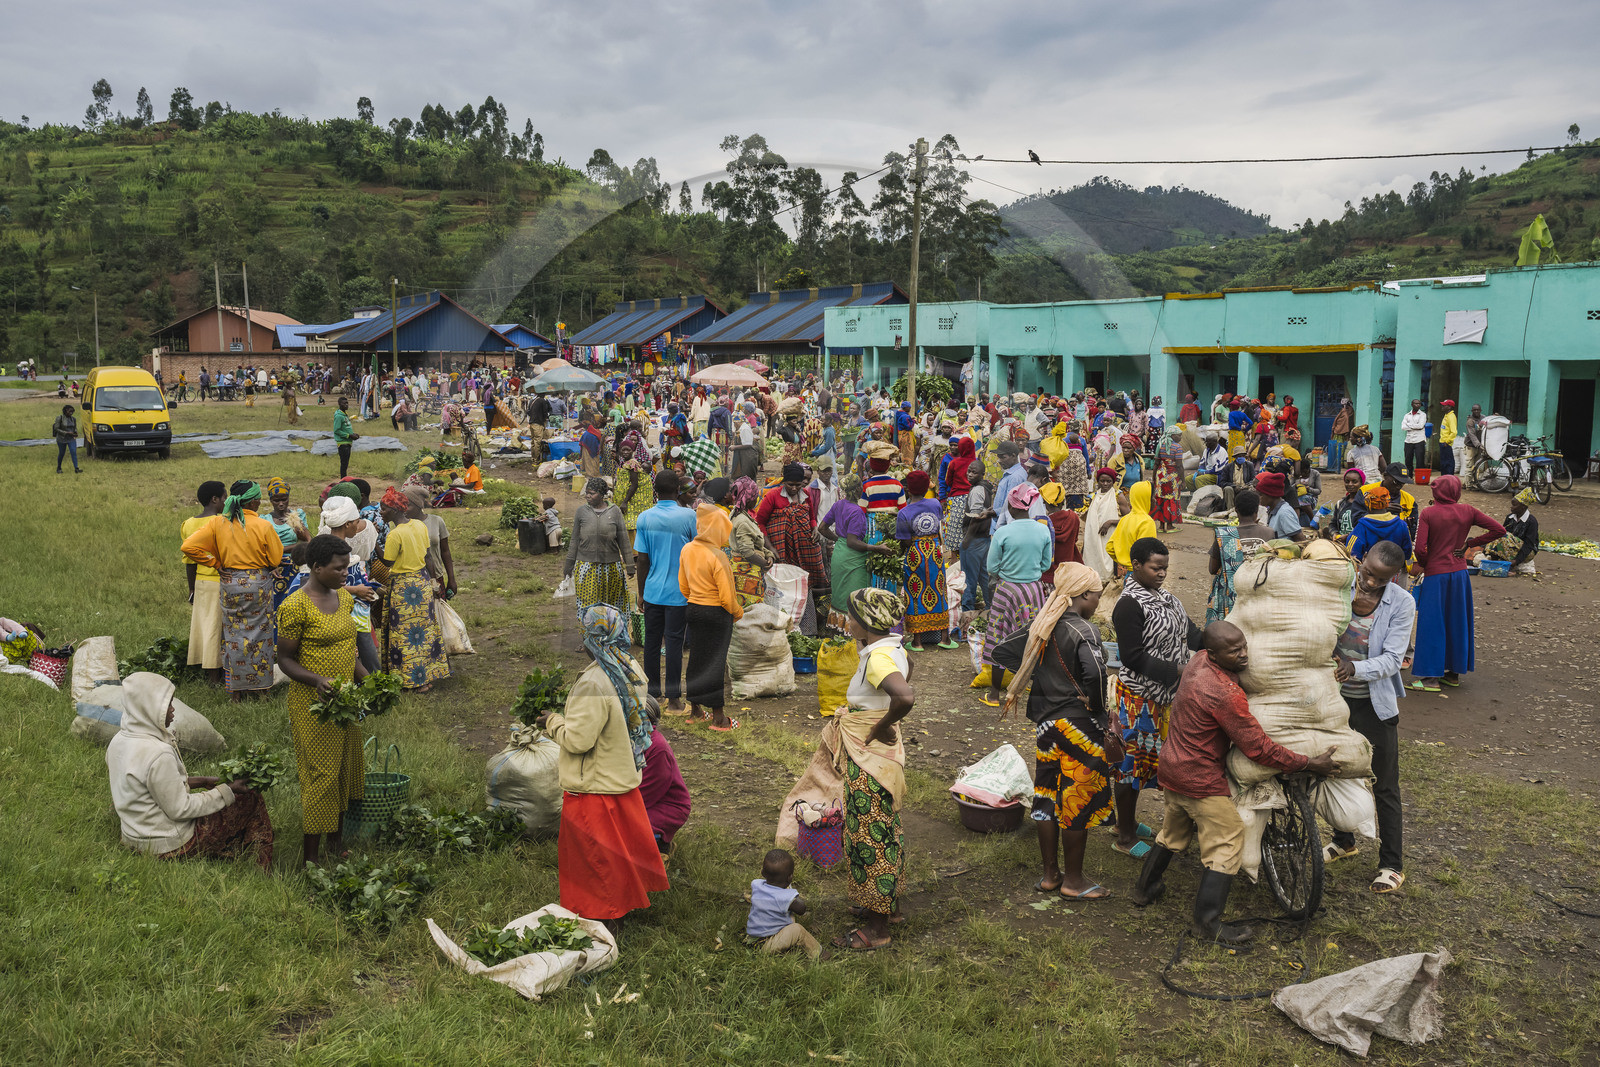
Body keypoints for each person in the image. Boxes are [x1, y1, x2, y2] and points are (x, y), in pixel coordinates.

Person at [1130, 623, 1338, 942]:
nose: (1243, 654)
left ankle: (1146, 889)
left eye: (1244, 646)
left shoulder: (1199, 661)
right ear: (1214, 653)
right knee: (1228, 839)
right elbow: (1258, 748)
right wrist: (1310, 762)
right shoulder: (1223, 694)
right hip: (1199, 778)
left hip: (1172, 767)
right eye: (1233, 651)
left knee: (1172, 832)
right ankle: (1207, 923)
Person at [535, 606, 670, 924]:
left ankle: (602, 921)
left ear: (592, 639)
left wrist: (552, 721)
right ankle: (623, 907)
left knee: (594, 863)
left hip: (593, 787)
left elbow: (579, 741)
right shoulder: (629, 666)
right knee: (618, 857)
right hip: (621, 774)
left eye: (583, 635)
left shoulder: (593, 683)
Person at [993, 562, 1115, 900]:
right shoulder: (1084, 630)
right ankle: (1073, 882)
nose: (1097, 605)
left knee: (1047, 796)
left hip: (1046, 724)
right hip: (1077, 725)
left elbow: (1002, 651)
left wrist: (1040, 675)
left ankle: (1050, 875)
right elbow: (1095, 673)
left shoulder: (1042, 626)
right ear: (1083, 596)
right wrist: (1094, 704)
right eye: (1096, 598)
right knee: (1077, 798)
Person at [106, 672, 272, 870]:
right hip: (166, 844)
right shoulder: (158, 753)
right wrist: (228, 790)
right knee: (250, 797)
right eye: (167, 704)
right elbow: (180, 809)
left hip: (134, 836)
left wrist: (202, 781)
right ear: (149, 708)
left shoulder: (118, 741)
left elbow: (151, 785)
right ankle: (261, 866)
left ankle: (232, 846)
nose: (173, 710)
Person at [1327, 541, 1414, 894]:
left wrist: (1355, 667)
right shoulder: (1340, 584)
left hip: (1373, 707)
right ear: (1360, 562)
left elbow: (1394, 659)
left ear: (1393, 578)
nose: (1370, 583)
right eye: (1367, 573)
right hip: (1333, 701)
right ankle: (1343, 840)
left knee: (1384, 784)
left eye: (1381, 579)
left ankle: (1392, 864)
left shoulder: (1402, 604)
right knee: (1335, 772)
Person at [277, 534, 368, 866]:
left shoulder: (343, 598)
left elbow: (350, 648)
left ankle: (336, 844)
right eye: (339, 568)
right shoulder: (294, 606)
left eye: (347, 567)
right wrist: (317, 680)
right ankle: (310, 859)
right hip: (312, 704)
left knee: (345, 770)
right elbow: (285, 660)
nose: (346, 574)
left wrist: (366, 679)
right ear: (316, 568)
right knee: (322, 776)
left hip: (345, 700)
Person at [1110, 537, 1203, 859]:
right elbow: (1131, 657)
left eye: (1165, 567)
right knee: (1130, 766)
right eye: (1156, 567)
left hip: (1165, 700)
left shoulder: (1167, 599)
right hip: (1138, 699)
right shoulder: (1128, 605)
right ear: (1136, 565)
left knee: (1153, 763)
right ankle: (1122, 835)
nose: (1162, 573)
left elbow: (1191, 634)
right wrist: (1178, 671)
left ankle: (1129, 823)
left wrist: (1219, 644)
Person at [832, 588, 915, 952]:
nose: (847, 622)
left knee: (869, 834)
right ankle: (885, 904)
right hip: (879, 754)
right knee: (882, 826)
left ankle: (876, 929)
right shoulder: (892, 649)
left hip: (871, 754)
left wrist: (880, 724)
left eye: (850, 616)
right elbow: (907, 677)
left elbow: (904, 696)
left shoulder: (879, 658)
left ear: (865, 622)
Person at [181, 481, 284, 700]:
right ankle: (261, 690)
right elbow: (275, 559)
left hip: (229, 583)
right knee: (261, 636)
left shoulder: (219, 523)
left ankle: (236, 691)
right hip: (258, 584)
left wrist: (216, 563)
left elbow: (188, 547)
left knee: (233, 635)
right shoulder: (263, 526)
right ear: (255, 501)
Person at [1410, 475, 1504, 693]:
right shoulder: (1468, 511)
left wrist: (1425, 564)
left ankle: (1431, 679)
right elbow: (1499, 530)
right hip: (1460, 575)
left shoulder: (1429, 513)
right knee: (1457, 621)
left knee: (1432, 623)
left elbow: (1420, 549)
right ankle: (1452, 674)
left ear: (1437, 492)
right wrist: (1470, 544)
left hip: (1436, 574)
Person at [980, 484, 1054, 706]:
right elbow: (1045, 564)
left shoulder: (1003, 532)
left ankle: (994, 694)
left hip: (1007, 590)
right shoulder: (1042, 530)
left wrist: (1007, 572)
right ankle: (1035, 692)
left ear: (1011, 509)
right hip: (1033, 591)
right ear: (1030, 507)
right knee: (1034, 638)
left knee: (998, 637)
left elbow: (991, 567)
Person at [372, 486, 449, 692]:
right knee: (422, 633)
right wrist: (433, 582)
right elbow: (428, 557)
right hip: (422, 584)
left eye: (385, 508)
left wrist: (373, 541)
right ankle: (427, 676)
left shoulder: (395, 535)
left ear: (396, 510)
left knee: (404, 636)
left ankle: (412, 682)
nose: (381, 512)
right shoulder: (418, 525)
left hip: (403, 588)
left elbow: (388, 563)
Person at [634, 470, 698, 713]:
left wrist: (641, 593)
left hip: (652, 591)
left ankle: (652, 696)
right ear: (678, 490)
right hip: (679, 593)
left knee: (651, 642)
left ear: (655, 491)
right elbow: (696, 551)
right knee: (674, 643)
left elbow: (643, 560)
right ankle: (674, 700)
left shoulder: (644, 518)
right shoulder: (688, 517)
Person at [679, 503, 742, 730]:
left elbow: (683, 586)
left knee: (696, 659)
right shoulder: (718, 555)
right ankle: (719, 718)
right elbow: (726, 596)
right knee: (715, 663)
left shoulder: (687, 549)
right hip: (716, 613)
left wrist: (696, 599)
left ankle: (696, 711)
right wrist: (737, 612)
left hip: (694, 608)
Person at [316, 494, 383, 674]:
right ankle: (372, 683)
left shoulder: (333, 545)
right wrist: (357, 590)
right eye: (356, 520)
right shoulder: (333, 550)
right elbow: (322, 586)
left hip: (351, 608)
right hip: (339, 609)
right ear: (347, 524)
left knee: (361, 647)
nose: (358, 524)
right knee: (361, 648)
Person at [758, 464, 829, 631]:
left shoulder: (805, 496)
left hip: (804, 553)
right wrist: (771, 548)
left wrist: (814, 529)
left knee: (804, 586)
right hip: (781, 551)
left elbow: (811, 517)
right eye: (790, 484)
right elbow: (760, 522)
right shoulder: (772, 497)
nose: (795, 488)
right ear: (784, 481)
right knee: (782, 591)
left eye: (798, 484)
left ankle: (807, 629)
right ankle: (778, 627)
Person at [564, 477, 635, 623]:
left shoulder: (615, 512)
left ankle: (610, 638)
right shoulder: (581, 512)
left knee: (611, 605)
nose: (588, 496)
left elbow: (623, 539)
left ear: (602, 495)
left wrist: (629, 565)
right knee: (587, 604)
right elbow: (574, 540)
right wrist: (569, 564)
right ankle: (589, 641)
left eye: (592, 493)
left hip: (611, 567)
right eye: (587, 492)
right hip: (586, 566)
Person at [896, 471, 952, 651]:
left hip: (915, 554)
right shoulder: (935, 503)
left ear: (907, 489)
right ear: (928, 485)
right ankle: (944, 638)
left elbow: (904, 540)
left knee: (914, 592)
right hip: (935, 553)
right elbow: (940, 524)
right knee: (939, 588)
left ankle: (917, 641)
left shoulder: (904, 513)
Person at [1205, 489, 1274, 624]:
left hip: (1232, 596)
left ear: (1236, 511)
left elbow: (1212, 569)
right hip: (1259, 590)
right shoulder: (1269, 533)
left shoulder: (1224, 534)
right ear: (1257, 511)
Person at [182, 481, 228, 685]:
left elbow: (189, 562)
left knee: (205, 625)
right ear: (215, 499)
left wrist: (191, 588)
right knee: (218, 628)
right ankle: (217, 676)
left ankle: (209, 672)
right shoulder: (222, 522)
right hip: (221, 580)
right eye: (224, 498)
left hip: (201, 581)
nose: (226, 502)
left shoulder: (188, 524)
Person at [637, 698, 690, 857]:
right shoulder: (635, 742)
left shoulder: (657, 749)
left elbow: (645, 793)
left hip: (668, 806)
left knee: (624, 827)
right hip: (644, 798)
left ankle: (661, 850)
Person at [747, 849, 821, 959]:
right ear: (790, 877)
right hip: (767, 945)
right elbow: (802, 909)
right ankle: (817, 953)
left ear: (762, 873)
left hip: (752, 939)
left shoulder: (756, 884)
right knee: (797, 929)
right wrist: (793, 897)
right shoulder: (784, 898)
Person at [264, 478, 311, 609]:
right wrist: (293, 547)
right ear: (270, 500)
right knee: (276, 602)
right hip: (275, 567)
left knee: (295, 601)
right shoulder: (265, 520)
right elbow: (264, 548)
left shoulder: (297, 515)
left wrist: (300, 531)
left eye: (284, 499)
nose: (280, 503)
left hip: (296, 565)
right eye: (276, 500)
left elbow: (309, 541)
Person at [1347, 485, 1413, 563]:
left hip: (1370, 570)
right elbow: (1407, 553)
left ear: (1368, 505)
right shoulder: (1402, 525)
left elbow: (1351, 553)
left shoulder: (1362, 526)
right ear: (1388, 503)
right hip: (1394, 570)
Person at [1108, 481, 1158, 577]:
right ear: (1145, 499)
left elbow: (1110, 547)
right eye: (1152, 497)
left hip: (1126, 572)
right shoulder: (1147, 522)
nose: (1154, 500)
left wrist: (1123, 562)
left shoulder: (1124, 519)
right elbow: (1148, 554)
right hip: (1140, 573)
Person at [1485, 488, 1540, 575]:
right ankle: (1495, 562)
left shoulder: (1531, 522)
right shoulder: (1510, 518)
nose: (1511, 507)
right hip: (1511, 548)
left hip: (1527, 552)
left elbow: (1529, 545)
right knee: (1497, 533)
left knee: (1504, 535)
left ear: (1523, 506)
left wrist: (1516, 561)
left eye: (1514, 505)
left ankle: (1509, 566)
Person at [1083, 468, 1123, 582]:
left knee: (1109, 560)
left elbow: (1128, 519)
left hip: (1110, 536)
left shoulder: (1118, 496)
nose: (1105, 484)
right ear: (1098, 481)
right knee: (1093, 559)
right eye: (1102, 481)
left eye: (1109, 481)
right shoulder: (1092, 497)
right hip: (1094, 537)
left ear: (1113, 482)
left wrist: (1109, 522)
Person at [1039, 483, 1081, 583]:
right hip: (1069, 569)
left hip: (1049, 573)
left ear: (1045, 502)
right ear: (1063, 500)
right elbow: (1075, 539)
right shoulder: (1073, 517)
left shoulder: (1043, 523)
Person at [1151, 430, 1184, 533]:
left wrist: (1154, 477)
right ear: (1172, 435)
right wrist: (1183, 480)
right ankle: (1170, 526)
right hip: (1172, 475)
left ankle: (1161, 526)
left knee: (1161, 498)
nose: (1180, 437)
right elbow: (1179, 465)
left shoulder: (1160, 445)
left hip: (1160, 474)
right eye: (1179, 435)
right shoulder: (1177, 447)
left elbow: (1156, 463)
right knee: (1171, 499)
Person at [1254, 471, 1301, 540]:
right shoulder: (1272, 510)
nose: (1259, 498)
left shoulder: (1284, 513)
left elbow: (1300, 539)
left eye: (1261, 495)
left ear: (1271, 495)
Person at [1328, 469, 1369, 539]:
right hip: (1341, 542)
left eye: (1354, 482)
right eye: (1347, 481)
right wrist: (1335, 534)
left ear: (1362, 483)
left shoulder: (1367, 503)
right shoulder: (1340, 504)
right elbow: (1332, 524)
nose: (1350, 484)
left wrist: (1348, 536)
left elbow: (1368, 526)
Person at [1400, 399, 1427, 477]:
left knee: (1420, 460)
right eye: (1416, 403)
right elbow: (1403, 427)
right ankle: (1409, 476)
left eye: (1419, 404)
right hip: (1408, 440)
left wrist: (1409, 425)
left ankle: (1420, 477)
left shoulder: (1423, 415)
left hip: (1419, 440)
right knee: (1408, 460)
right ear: (1412, 404)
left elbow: (1420, 426)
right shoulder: (1407, 415)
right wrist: (1414, 426)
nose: (1417, 405)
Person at [333, 396, 358, 478]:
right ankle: (343, 480)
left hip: (348, 442)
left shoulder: (344, 414)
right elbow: (337, 430)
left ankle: (344, 479)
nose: (346, 405)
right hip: (343, 443)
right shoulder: (339, 416)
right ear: (339, 404)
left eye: (347, 403)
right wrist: (349, 435)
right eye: (344, 404)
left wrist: (353, 434)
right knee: (344, 464)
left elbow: (345, 428)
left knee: (346, 463)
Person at [52, 404, 81, 474]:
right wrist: (67, 433)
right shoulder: (60, 418)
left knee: (73, 452)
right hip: (62, 438)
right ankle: (59, 468)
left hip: (71, 438)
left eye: (72, 411)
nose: (71, 412)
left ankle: (76, 468)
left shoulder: (73, 419)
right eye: (69, 411)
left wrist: (75, 433)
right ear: (65, 411)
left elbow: (75, 428)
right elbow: (56, 428)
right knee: (62, 453)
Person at [1461, 403, 1484, 489]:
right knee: (1469, 465)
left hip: (1479, 446)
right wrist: (1478, 445)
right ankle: (1468, 485)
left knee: (1477, 466)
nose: (1476, 411)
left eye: (1478, 410)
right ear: (1472, 411)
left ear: (1480, 410)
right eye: (1474, 410)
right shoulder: (1470, 421)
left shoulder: (1483, 418)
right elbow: (1472, 435)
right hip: (1471, 446)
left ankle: (1471, 482)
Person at [1328, 398, 1354, 472]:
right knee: (1340, 448)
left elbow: (1343, 422)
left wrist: (1338, 428)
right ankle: (1338, 463)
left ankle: (1338, 463)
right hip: (1341, 433)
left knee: (1339, 448)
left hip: (1339, 433)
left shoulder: (1345, 413)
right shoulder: (1345, 412)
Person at [1437, 399, 1458, 477]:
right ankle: (1444, 479)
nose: (1442, 406)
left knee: (1448, 463)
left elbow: (1454, 432)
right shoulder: (1446, 415)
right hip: (1442, 442)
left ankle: (1449, 479)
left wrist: (1447, 441)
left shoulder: (1451, 417)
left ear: (1449, 407)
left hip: (1446, 444)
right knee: (1443, 463)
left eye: (1444, 405)